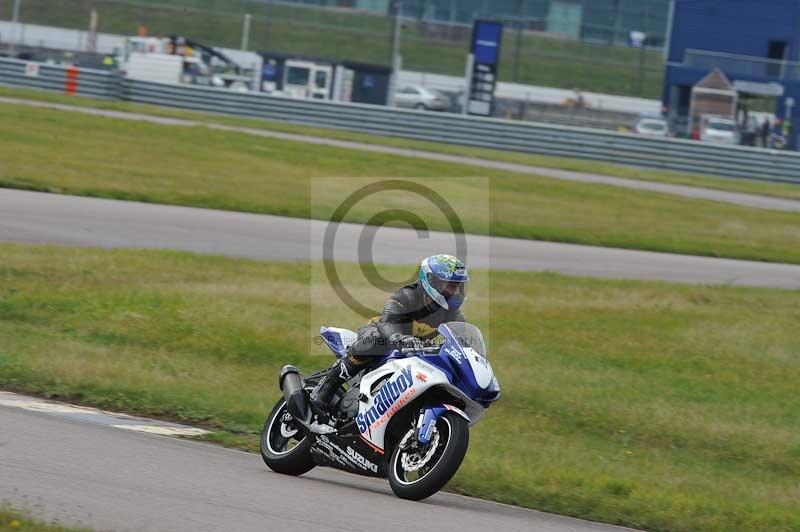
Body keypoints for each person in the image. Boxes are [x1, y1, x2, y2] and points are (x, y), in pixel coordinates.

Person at [310, 254, 469, 413]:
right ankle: (326, 387)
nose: (456, 292)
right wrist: (399, 338)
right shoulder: (408, 295)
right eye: (450, 286)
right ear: (431, 281)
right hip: (381, 333)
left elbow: (462, 347)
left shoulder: (455, 316)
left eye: (459, 287)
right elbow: (387, 323)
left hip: (415, 350)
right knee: (378, 340)